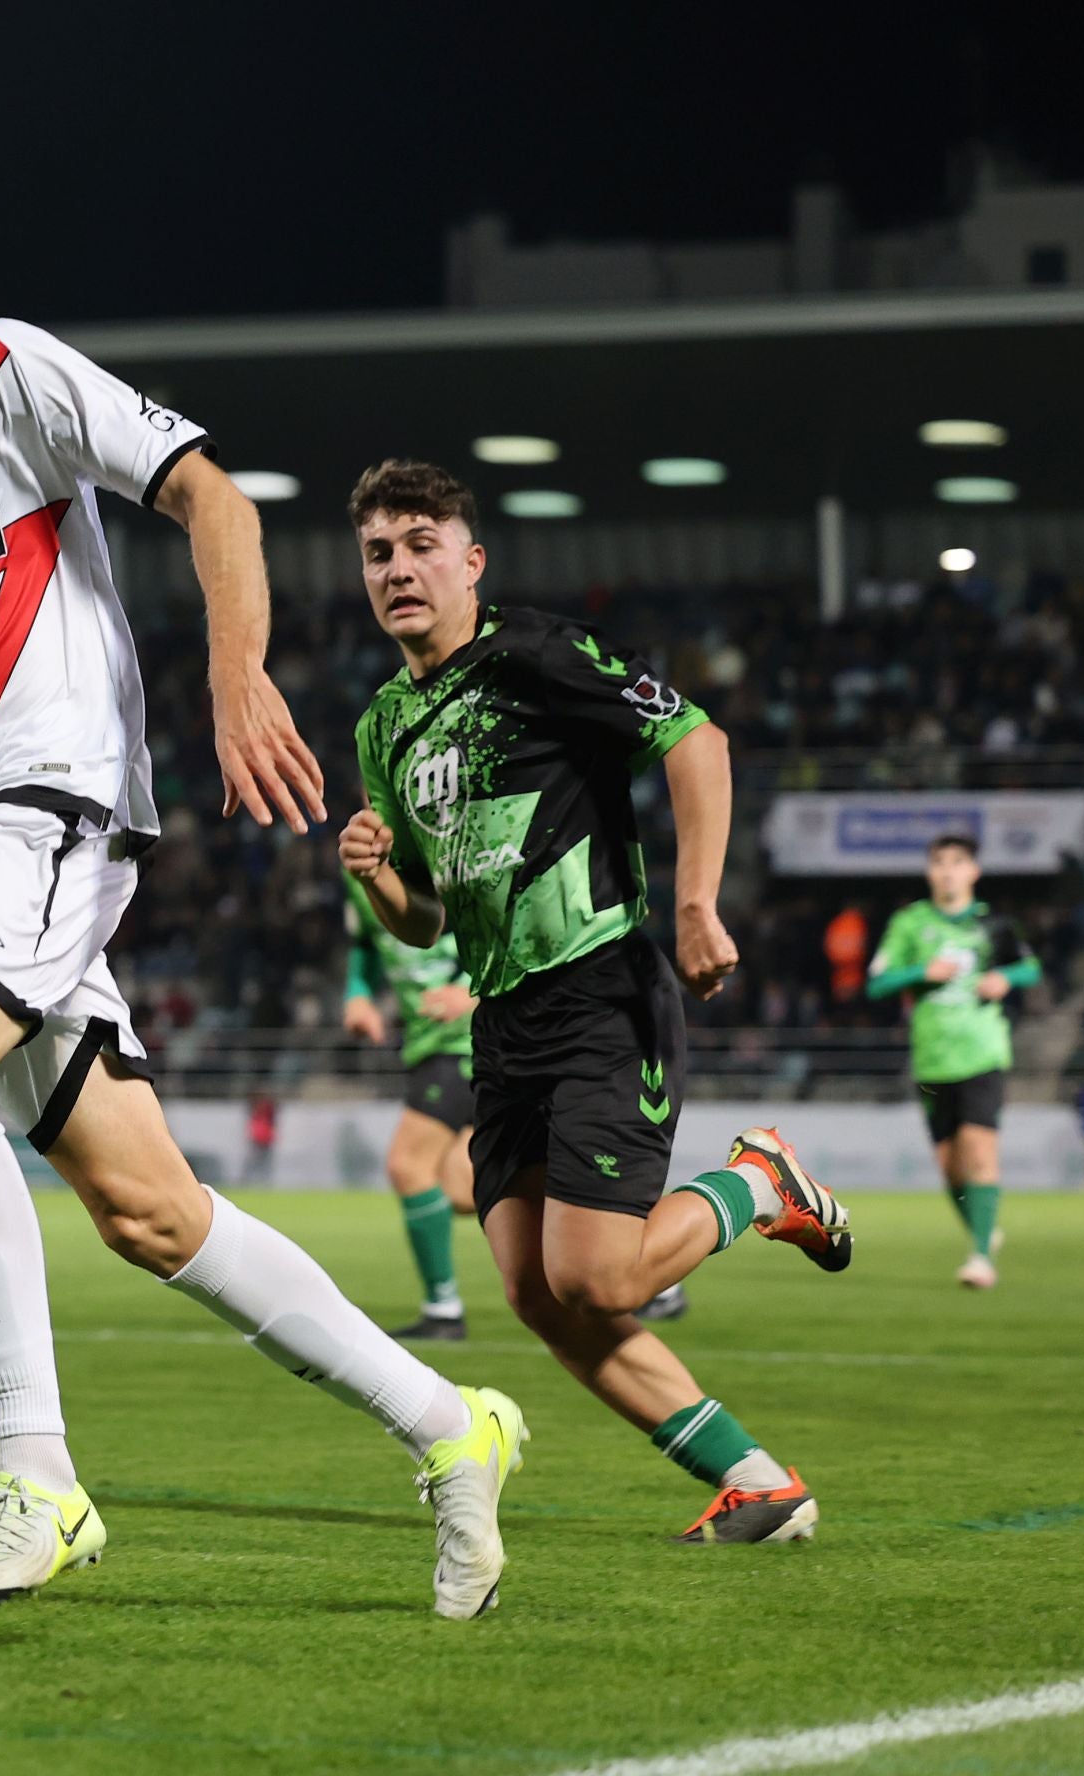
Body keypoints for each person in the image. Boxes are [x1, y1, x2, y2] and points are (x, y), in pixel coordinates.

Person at [0, 135, 525, 1620]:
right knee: (152, 1215)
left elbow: (216, 497)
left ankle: (40, 1479)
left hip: (54, 795)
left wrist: (234, 679)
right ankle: (451, 1425)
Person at [338, 459, 849, 1545]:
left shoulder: (537, 654)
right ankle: (757, 1482)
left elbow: (696, 739)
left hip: (599, 984)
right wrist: (377, 874)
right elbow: (427, 921)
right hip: (501, 1014)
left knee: (599, 1273)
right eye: (380, 551)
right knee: (534, 1290)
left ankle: (759, 1184)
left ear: (472, 562)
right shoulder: (385, 725)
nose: (399, 569)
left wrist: (698, 904)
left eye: (422, 545)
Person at [865, 833, 1039, 1288]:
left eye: (957, 862)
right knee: (950, 1168)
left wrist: (1004, 977)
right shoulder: (910, 922)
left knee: (980, 1151)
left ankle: (981, 1257)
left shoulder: (993, 925)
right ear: (929, 872)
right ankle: (985, 1230)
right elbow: (877, 984)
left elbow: (1029, 967)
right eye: (939, 862)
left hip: (983, 1051)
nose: (948, 870)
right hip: (931, 1058)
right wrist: (922, 971)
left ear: (973, 871)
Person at [340, 868, 476, 1338]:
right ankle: (623, 1245)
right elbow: (365, 941)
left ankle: (443, 1309)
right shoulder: (357, 868)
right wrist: (358, 994)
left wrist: (474, 990)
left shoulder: (456, 849)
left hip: (469, 1039)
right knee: (464, 1187)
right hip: (427, 1041)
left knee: (407, 1164)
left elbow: (520, 929)